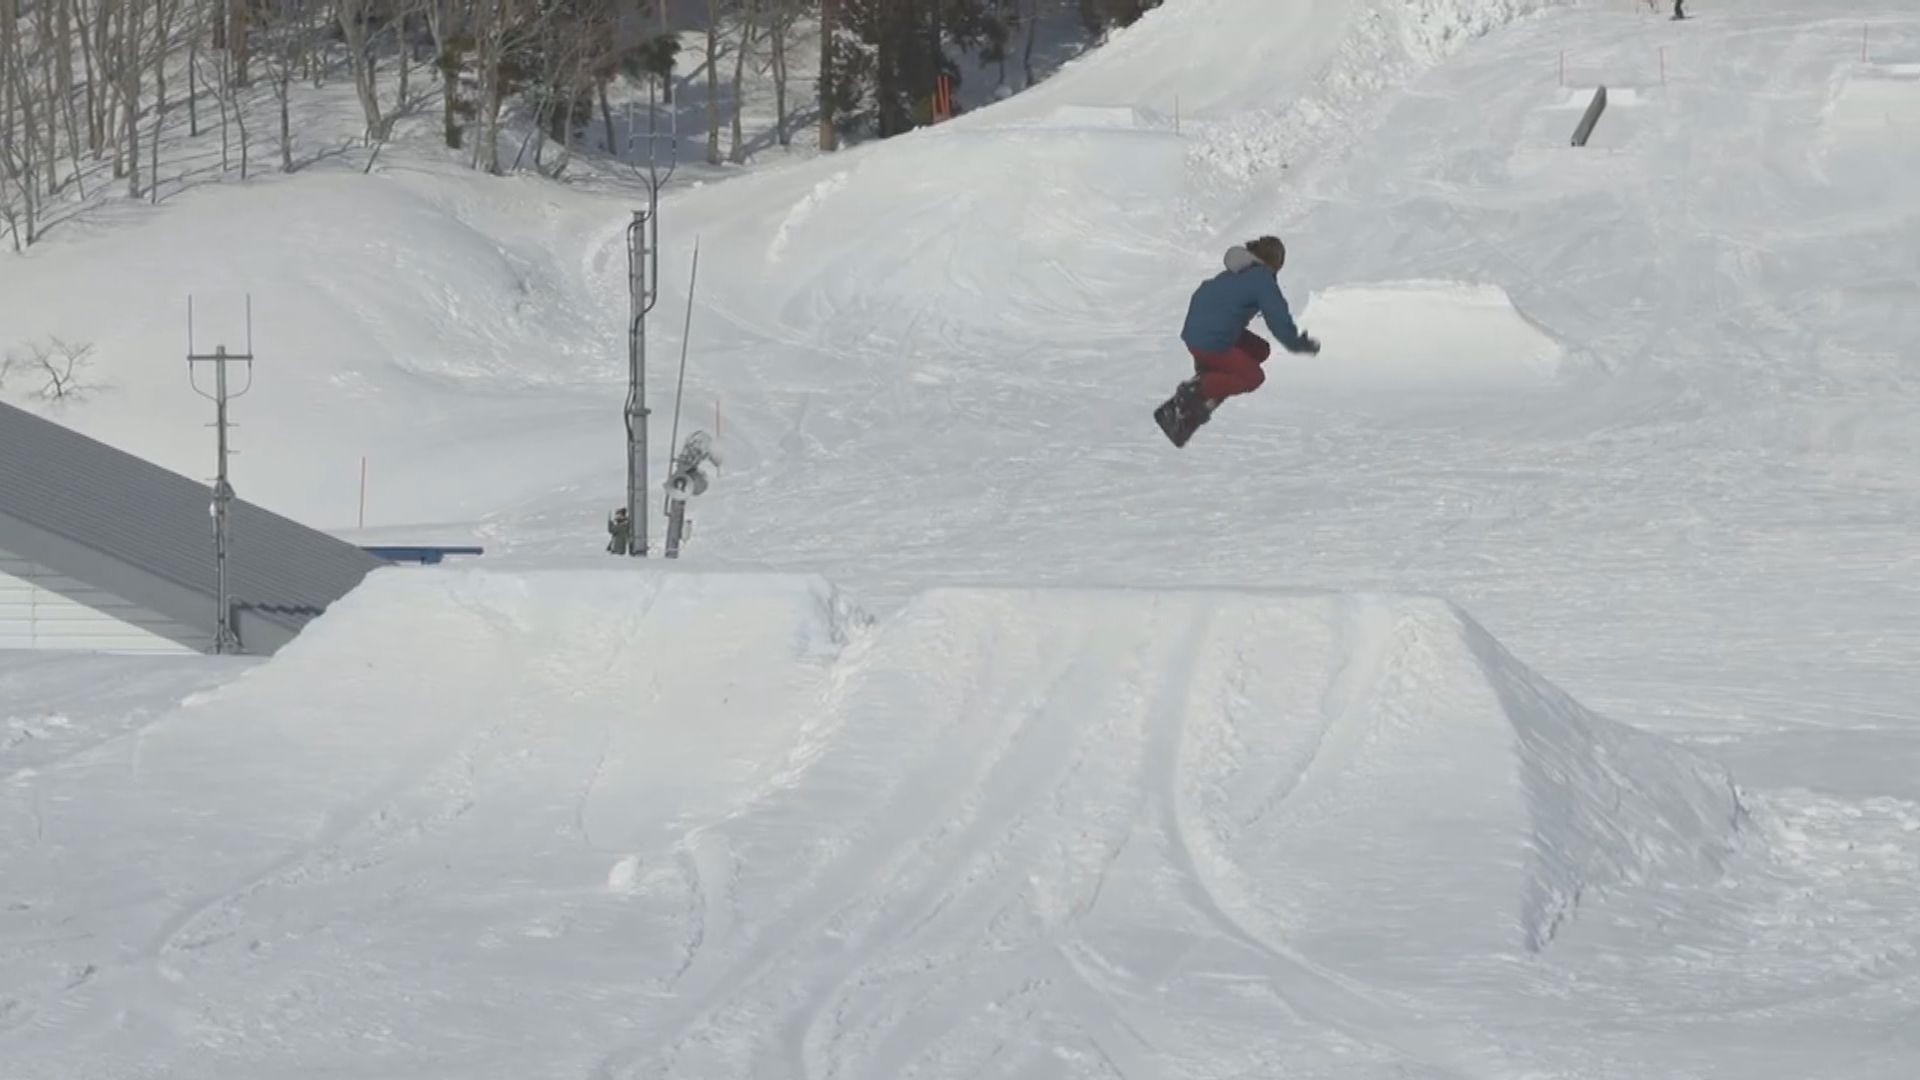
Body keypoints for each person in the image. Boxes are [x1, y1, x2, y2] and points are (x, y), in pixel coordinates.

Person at [1170, 235, 1319, 428]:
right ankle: (1195, 391)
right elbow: (1278, 322)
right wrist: (1298, 343)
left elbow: (1204, 294)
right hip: (1209, 341)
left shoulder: (1239, 271)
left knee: (1260, 350)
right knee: (1253, 377)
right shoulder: (1262, 279)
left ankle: (1213, 372)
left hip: (1198, 332)